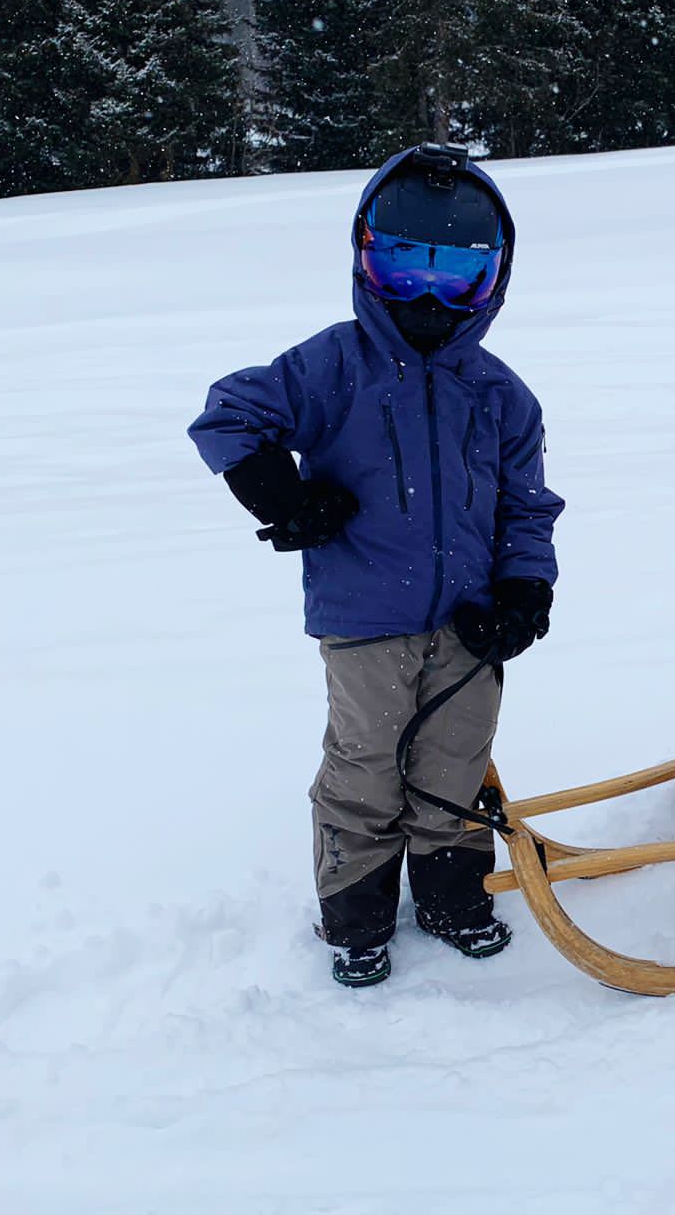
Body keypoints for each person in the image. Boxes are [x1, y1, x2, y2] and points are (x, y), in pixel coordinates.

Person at [189, 144, 563, 988]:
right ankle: (356, 910)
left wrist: (524, 589)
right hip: (364, 619)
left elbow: (526, 505)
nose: (427, 298)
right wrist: (284, 497)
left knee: (455, 762)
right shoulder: (332, 366)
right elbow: (228, 416)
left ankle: (451, 896)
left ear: (493, 279)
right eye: (403, 268)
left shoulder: (501, 395)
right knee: (366, 765)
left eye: (456, 277)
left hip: (470, 624)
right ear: (367, 262)